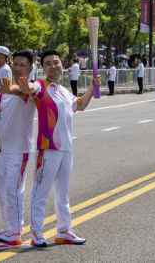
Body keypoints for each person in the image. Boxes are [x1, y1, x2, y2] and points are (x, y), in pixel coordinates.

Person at [27, 48, 100, 247]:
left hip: (66, 147)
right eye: (48, 63)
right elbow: (29, 88)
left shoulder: (64, 91)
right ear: (43, 68)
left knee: (63, 192)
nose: (53, 65)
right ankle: (36, 233)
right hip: (48, 147)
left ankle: (64, 230)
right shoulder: (40, 86)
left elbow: (81, 105)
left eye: (56, 62)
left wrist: (93, 89)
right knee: (40, 191)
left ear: (62, 65)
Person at [0, 49, 36, 247]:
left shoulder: (30, 89)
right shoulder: (5, 94)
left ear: (30, 68)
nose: (19, 67)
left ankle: (16, 231)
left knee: (14, 190)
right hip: (3, 151)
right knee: (3, 191)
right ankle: (8, 227)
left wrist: (9, 89)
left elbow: (24, 92)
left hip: (19, 152)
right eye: (16, 64)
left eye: (23, 65)